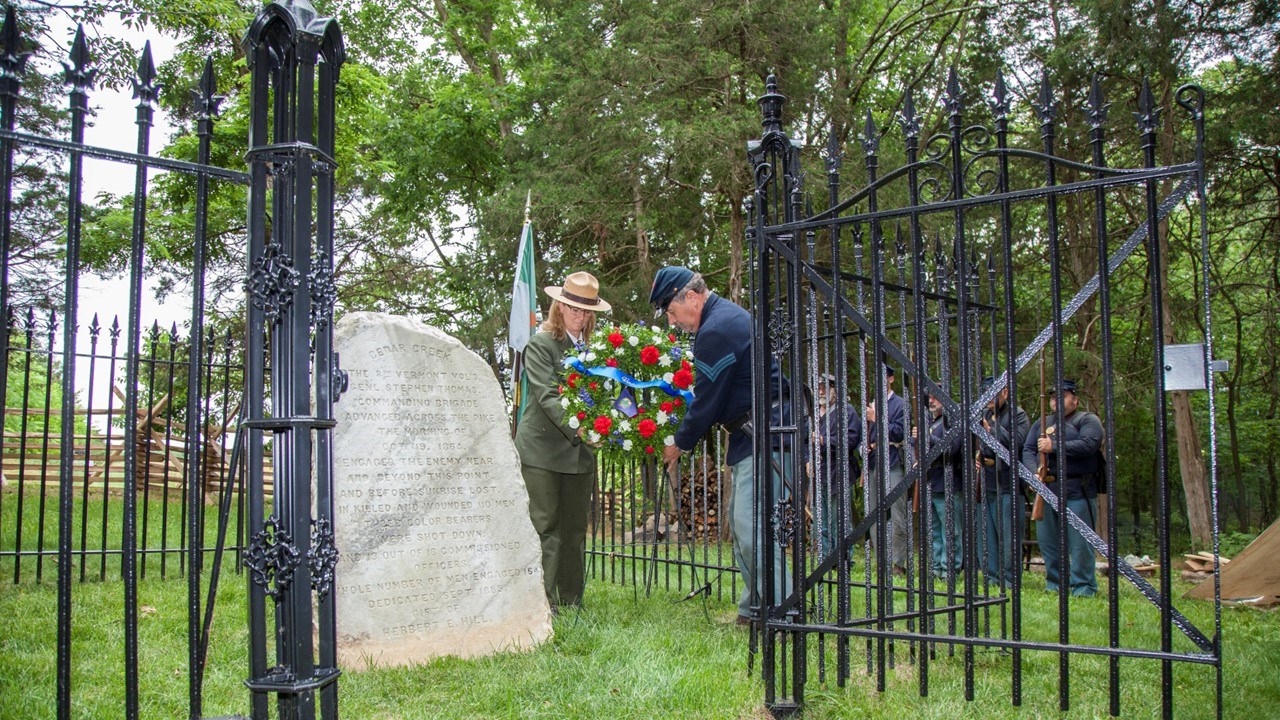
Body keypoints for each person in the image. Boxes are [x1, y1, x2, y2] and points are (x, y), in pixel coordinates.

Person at [650, 265, 791, 626]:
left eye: (671, 311)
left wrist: (678, 444)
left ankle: (785, 610)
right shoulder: (723, 318)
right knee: (741, 520)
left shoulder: (716, 330)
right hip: (755, 434)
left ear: (692, 298)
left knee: (749, 524)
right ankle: (754, 607)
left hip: (766, 434)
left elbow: (707, 400)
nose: (672, 321)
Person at [514, 271, 611, 610]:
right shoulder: (542, 344)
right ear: (559, 306)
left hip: (580, 455)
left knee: (573, 530)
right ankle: (543, 604)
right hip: (542, 451)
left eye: (586, 311)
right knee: (547, 527)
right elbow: (547, 395)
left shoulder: (599, 351)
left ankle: (571, 601)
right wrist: (582, 429)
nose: (579, 316)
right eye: (573, 308)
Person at [1020, 378, 1103, 597]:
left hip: (1077, 489)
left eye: (1062, 396)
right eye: (1053, 397)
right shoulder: (1042, 422)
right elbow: (1028, 449)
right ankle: (1055, 583)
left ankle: (1083, 587)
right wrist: (1034, 472)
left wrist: (1053, 446)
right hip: (1047, 489)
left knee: (1080, 543)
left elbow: (1089, 444)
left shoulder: (1087, 420)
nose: (1056, 400)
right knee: (1048, 542)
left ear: (1075, 400)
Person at [976, 374, 1030, 589]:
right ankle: (991, 578)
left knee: (1008, 537)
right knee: (986, 536)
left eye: (993, 394)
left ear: (1005, 393)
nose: (988, 399)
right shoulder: (984, 414)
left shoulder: (1018, 415)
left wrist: (991, 430)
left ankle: (1009, 581)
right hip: (985, 481)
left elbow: (1016, 444)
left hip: (1007, 483)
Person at [810, 373, 862, 559]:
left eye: (825, 387)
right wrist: (807, 460)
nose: (821, 391)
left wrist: (825, 441)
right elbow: (804, 441)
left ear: (834, 390)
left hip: (838, 472)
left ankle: (843, 558)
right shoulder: (813, 414)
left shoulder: (846, 412)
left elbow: (851, 440)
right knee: (821, 521)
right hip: (819, 473)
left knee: (838, 520)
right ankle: (824, 558)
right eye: (819, 387)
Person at [864, 364, 908, 574]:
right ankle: (881, 561)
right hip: (873, 463)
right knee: (874, 514)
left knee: (897, 514)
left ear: (891, 380)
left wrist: (876, 418)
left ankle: (898, 563)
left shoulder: (900, 404)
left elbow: (899, 433)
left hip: (892, 462)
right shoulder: (872, 404)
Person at [918, 390, 964, 579]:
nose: (931, 400)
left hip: (948, 480)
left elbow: (952, 448)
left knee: (950, 531)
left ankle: (950, 569)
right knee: (935, 531)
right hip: (931, 480)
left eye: (935, 396)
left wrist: (926, 438)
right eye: (929, 397)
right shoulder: (929, 421)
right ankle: (937, 568)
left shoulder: (953, 420)